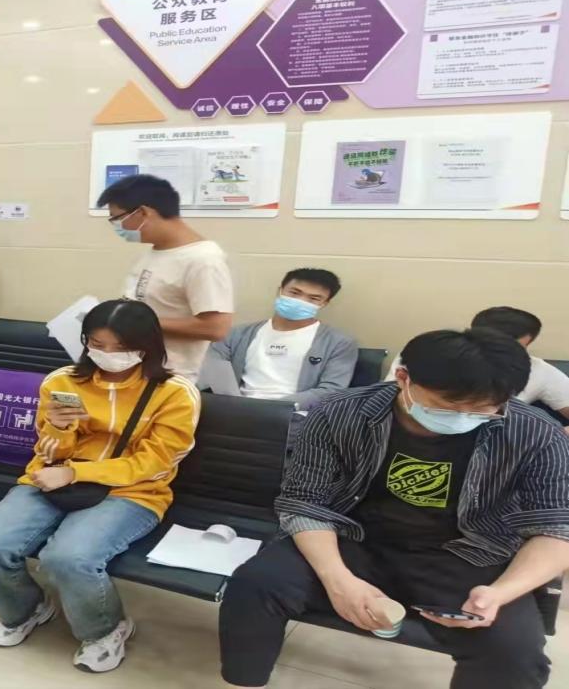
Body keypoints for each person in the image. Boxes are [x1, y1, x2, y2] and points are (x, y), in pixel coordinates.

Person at [219, 328, 569, 689]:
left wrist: (499, 594)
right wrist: (338, 581)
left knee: (513, 652)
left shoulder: (535, 435)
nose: (463, 417)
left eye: (482, 410)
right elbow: (305, 501)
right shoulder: (340, 413)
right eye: (447, 407)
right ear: (403, 378)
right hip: (353, 538)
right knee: (257, 585)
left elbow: (557, 530)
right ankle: (245, 680)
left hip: (467, 555)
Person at [0, 299, 200, 674]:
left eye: (121, 347)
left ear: (148, 346)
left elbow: (155, 463)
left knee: (68, 558)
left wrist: (76, 473)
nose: (108, 355)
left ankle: (105, 629)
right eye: (98, 345)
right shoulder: (63, 381)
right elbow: (48, 451)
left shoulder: (174, 392)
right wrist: (58, 428)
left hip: (134, 490)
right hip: (54, 477)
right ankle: (27, 609)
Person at [97, 174, 234, 383]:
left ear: (142, 212)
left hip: (169, 379)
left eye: (117, 218)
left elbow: (216, 328)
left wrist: (136, 323)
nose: (117, 226)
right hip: (134, 370)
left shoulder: (203, 259)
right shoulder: (155, 252)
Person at [386, 307, 569, 432]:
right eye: (447, 405)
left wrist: (554, 436)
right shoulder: (428, 356)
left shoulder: (537, 372)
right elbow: (390, 398)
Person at [208, 268, 357, 409]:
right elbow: (214, 372)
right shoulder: (236, 334)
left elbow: (331, 390)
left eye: (313, 298)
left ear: (324, 303)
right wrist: (239, 407)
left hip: (295, 415)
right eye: (294, 293)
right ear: (280, 291)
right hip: (236, 409)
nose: (301, 301)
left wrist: (273, 408)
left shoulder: (339, 343)